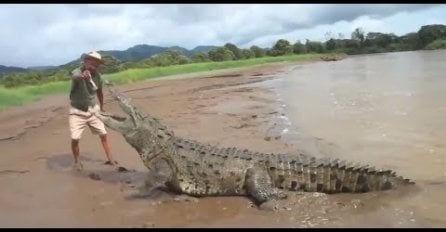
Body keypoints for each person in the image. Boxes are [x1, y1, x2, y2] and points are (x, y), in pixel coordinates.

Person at [69, 51, 117, 171]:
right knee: (75, 138)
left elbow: (99, 92)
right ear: (85, 61)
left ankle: (111, 159)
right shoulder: (78, 71)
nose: (93, 64)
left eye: (96, 62)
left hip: (93, 109)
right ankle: (77, 162)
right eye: (91, 60)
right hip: (77, 111)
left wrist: (101, 107)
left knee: (103, 134)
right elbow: (74, 77)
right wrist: (82, 76)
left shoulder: (97, 76)